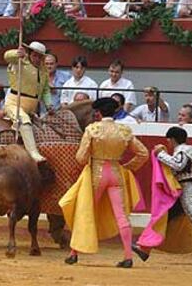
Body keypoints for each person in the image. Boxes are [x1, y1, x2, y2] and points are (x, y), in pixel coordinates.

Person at [59, 97, 148, 268]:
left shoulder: (93, 129)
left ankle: (73, 254)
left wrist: (89, 161)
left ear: (98, 113)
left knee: (85, 211)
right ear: (114, 112)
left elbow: (80, 158)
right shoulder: (124, 130)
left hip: (97, 174)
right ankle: (128, 256)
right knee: (122, 216)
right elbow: (143, 153)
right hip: (116, 173)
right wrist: (127, 167)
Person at [133, 127, 192, 261]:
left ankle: (145, 248)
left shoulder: (182, 151)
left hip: (188, 190)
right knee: (163, 217)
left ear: (172, 139)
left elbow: (178, 165)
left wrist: (161, 155)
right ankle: (144, 248)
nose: (168, 143)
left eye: (168, 140)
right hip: (184, 190)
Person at [3, 41, 52, 163]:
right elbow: (7, 56)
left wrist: (49, 104)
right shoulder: (19, 63)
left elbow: (45, 90)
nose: (37, 59)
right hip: (14, 104)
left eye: (40, 56)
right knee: (24, 121)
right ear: (29, 54)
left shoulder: (43, 71)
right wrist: (17, 53)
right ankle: (34, 153)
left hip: (32, 110)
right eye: (35, 55)